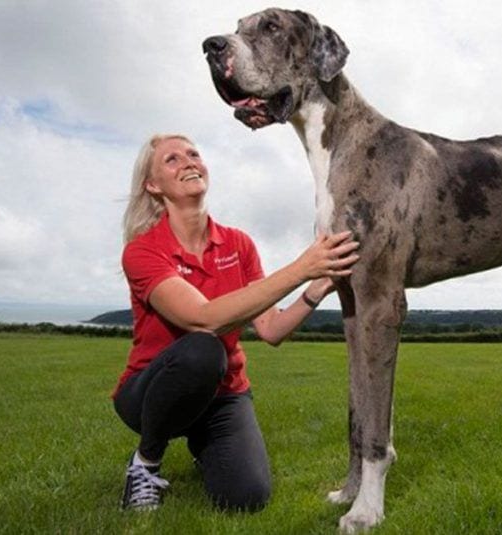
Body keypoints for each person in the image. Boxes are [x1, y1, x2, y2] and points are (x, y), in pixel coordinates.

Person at [112, 134, 359, 512]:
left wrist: (316, 287)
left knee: (245, 498)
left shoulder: (238, 244)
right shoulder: (143, 251)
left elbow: (271, 330)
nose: (189, 162)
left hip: (223, 395)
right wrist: (302, 266)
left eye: (194, 154)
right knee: (203, 349)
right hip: (149, 393)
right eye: (172, 160)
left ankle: (204, 445)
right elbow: (202, 318)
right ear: (152, 185)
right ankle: (146, 462)